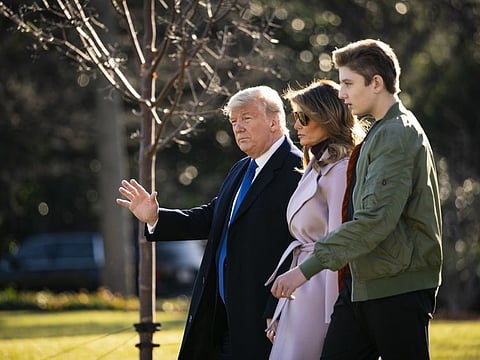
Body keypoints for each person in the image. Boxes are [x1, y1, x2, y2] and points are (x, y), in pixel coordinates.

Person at [271, 39, 443, 360]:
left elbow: (373, 221)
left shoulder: (396, 134)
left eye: (348, 83)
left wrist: (304, 270)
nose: (342, 93)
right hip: (364, 285)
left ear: (376, 83)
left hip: (397, 289)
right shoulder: (381, 132)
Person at [116, 85, 303, 360]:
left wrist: (275, 309)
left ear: (275, 120)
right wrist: (156, 217)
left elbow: (302, 246)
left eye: (247, 118)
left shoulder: (297, 169)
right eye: (234, 121)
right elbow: (211, 217)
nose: (238, 127)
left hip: (266, 317)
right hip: (222, 314)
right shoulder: (242, 168)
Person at [264, 79, 365, 359]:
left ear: (327, 118)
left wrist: (336, 317)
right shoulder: (316, 165)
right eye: (294, 116)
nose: (295, 124)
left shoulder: (340, 170)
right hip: (303, 287)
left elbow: (339, 241)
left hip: (321, 290)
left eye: (302, 117)